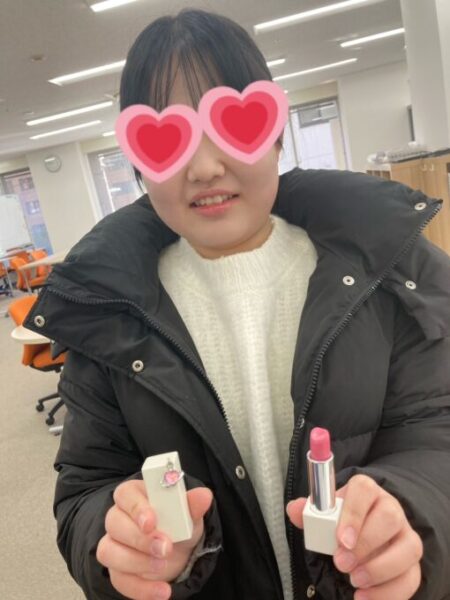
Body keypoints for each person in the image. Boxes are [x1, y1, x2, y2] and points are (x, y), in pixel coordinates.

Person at [24, 8, 450, 600]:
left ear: (274, 135)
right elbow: (86, 487)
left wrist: (411, 512)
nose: (204, 168)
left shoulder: (391, 268)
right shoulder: (106, 309)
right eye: (169, 140)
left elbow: (437, 428)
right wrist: (118, 541)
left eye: (231, 127)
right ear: (139, 163)